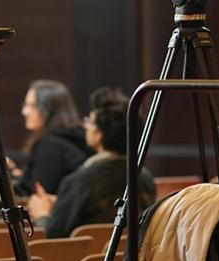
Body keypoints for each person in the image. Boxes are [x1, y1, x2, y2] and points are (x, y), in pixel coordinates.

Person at [26, 87, 156, 238]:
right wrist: (62, 202)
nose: (85, 125)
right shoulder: (144, 177)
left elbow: (53, 242)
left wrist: (42, 214)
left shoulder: (78, 182)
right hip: (133, 260)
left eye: (90, 121)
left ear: (100, 134)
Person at [0, 80, 90, 214]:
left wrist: (1, 174)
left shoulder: (51, 145)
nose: (24, 111)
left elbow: (35, 195)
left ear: (48, 110)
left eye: (31, 105)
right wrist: (10, 171)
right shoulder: (76, 139)